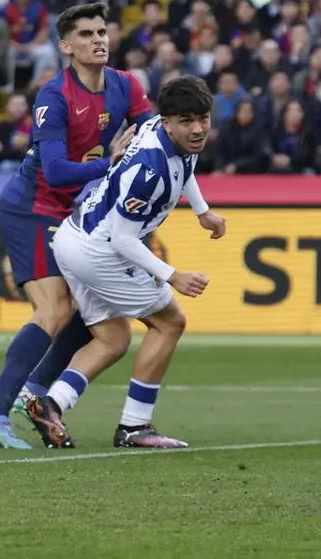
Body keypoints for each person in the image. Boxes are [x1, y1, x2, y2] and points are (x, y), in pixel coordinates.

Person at [0, 3, 152, 449]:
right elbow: (56, 170)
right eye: (86, 34)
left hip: (77, 216)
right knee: (53, 311)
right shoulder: (55, 96)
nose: (98, 40)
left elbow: (152, 136)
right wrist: (110, 165)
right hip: (32, 207)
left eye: (103, 32)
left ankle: (32, 392)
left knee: (98, 317)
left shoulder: (125, 86)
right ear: (66, 47)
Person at [32, 77, 225, 450]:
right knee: (170, 321)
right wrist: (172, 276)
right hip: (98, 251)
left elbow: (185, 168)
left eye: (203, 118)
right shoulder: (147, 169)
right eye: (187, 120)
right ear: (167, 122)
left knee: (113, 337)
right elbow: (123, 238)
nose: (198, 128)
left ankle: (51, 404)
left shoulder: (172, 134)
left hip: (76, 237)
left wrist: (202, 211)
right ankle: (135, 427)